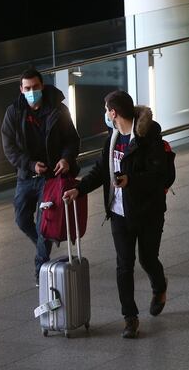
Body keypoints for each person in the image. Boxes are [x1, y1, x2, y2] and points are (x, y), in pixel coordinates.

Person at [62, 90, 170, 339]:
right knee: (124, 266)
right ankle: (130, 318)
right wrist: (78, 189)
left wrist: (131, 179)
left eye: (106, 110)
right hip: (120, 212)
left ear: (114, 113)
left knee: (147, 259)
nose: (105, 115)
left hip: (148, 212)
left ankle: (160, 285)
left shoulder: (148, 135)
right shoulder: (112, 137)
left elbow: (159, 175)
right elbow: (102, 170)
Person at [1, 67, 80, 287]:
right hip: (27, 175)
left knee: (43, 224)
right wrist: (30, 165)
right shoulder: (14, 113)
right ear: (21, 89)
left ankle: (41, 269)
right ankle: (42, 244)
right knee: (21, 219)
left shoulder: (58, 109)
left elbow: (72, 140)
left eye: (35, 87)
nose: (31, 91)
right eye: (27, 88)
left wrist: (66, 159)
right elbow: (9, 148)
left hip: (52, 177)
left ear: (42, 86)